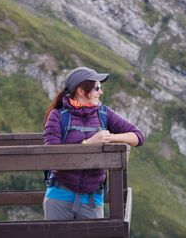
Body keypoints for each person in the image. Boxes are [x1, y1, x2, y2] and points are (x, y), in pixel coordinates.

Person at [42, 66, 144, 220]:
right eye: (97, 88)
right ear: (81, 91)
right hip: (59, 195)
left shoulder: (105, 113)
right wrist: (87, 143)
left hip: (92, 198)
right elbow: (52, 156)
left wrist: (108, 138)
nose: (101, 92)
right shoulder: (57, 116)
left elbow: (138, 137)